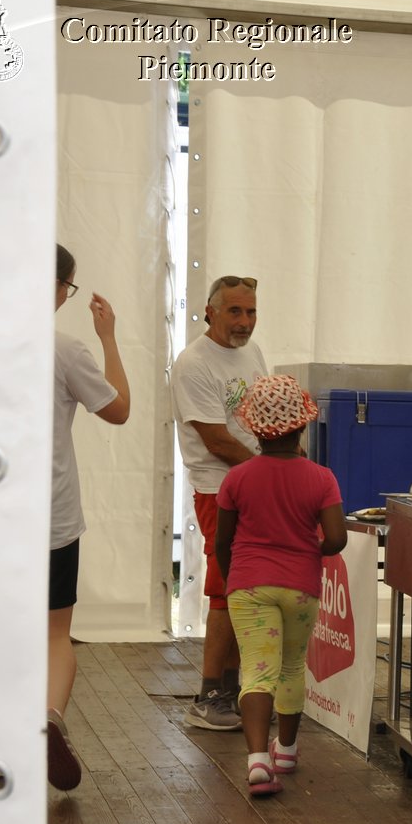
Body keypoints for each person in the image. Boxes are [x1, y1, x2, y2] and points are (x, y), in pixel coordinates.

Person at [213, 375, 346, 798]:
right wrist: (312, 550)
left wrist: (237, 576)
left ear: (253, 428)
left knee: (257, 669)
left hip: (248, 586)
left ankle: (257, 761)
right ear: (302, 426)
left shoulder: (236, 479)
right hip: (300, 587)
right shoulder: (322, 478)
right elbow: (338, 538)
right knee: (291, 666)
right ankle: (286, 751)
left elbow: (222, 541)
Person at [47, 244, 132, 790]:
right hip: (48, 518)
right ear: (58, 289)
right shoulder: (62, 349)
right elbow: (119, 409)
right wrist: (108, 337)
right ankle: (47, 721)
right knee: (55, 636)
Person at [172, 275, 267, 731]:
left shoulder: (252, 353)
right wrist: (274, 471)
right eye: (235, 311)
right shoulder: (193, 363)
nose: (244, 321)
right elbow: (216, 440)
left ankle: (229, 690)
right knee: (225, 590)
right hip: (219, 490)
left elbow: (260, 414)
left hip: (253, 484)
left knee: (241, 589)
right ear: (209, 312)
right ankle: (209, 696)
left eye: (250, 311)